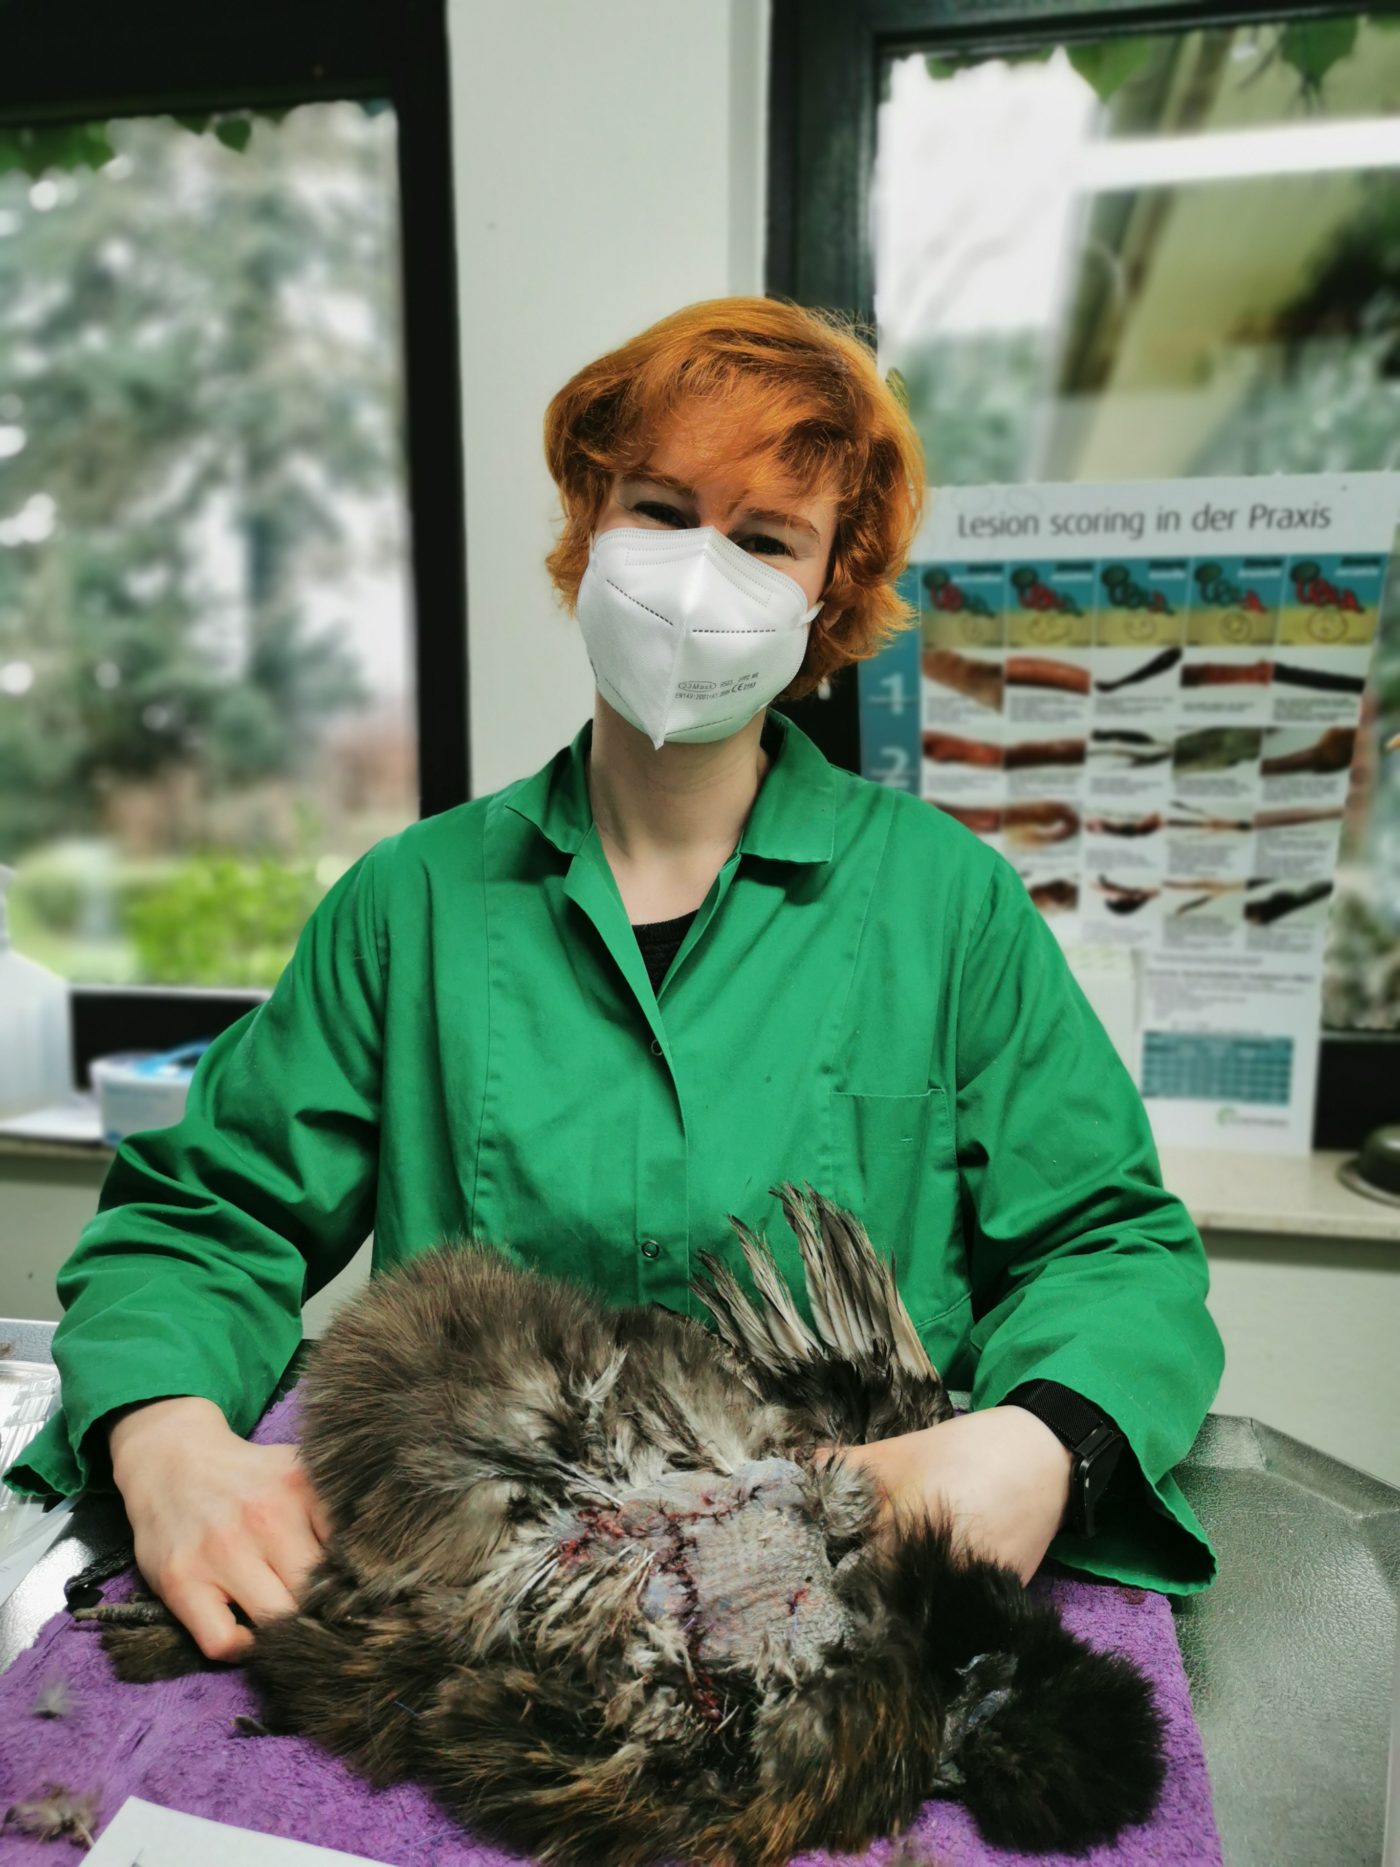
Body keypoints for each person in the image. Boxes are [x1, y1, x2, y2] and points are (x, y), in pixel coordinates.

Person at [3, 296, 1223, 1665]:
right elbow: (200, 1220)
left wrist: (1042, 1441)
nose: (700, 574)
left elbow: (1113, 1249)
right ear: (591, 526)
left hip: (833, 1603)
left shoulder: (948, 906)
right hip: (483, 1607)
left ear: (826, 593)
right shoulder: (411, 904)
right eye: (661, 509)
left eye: (765, 538)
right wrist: (164, 1434)